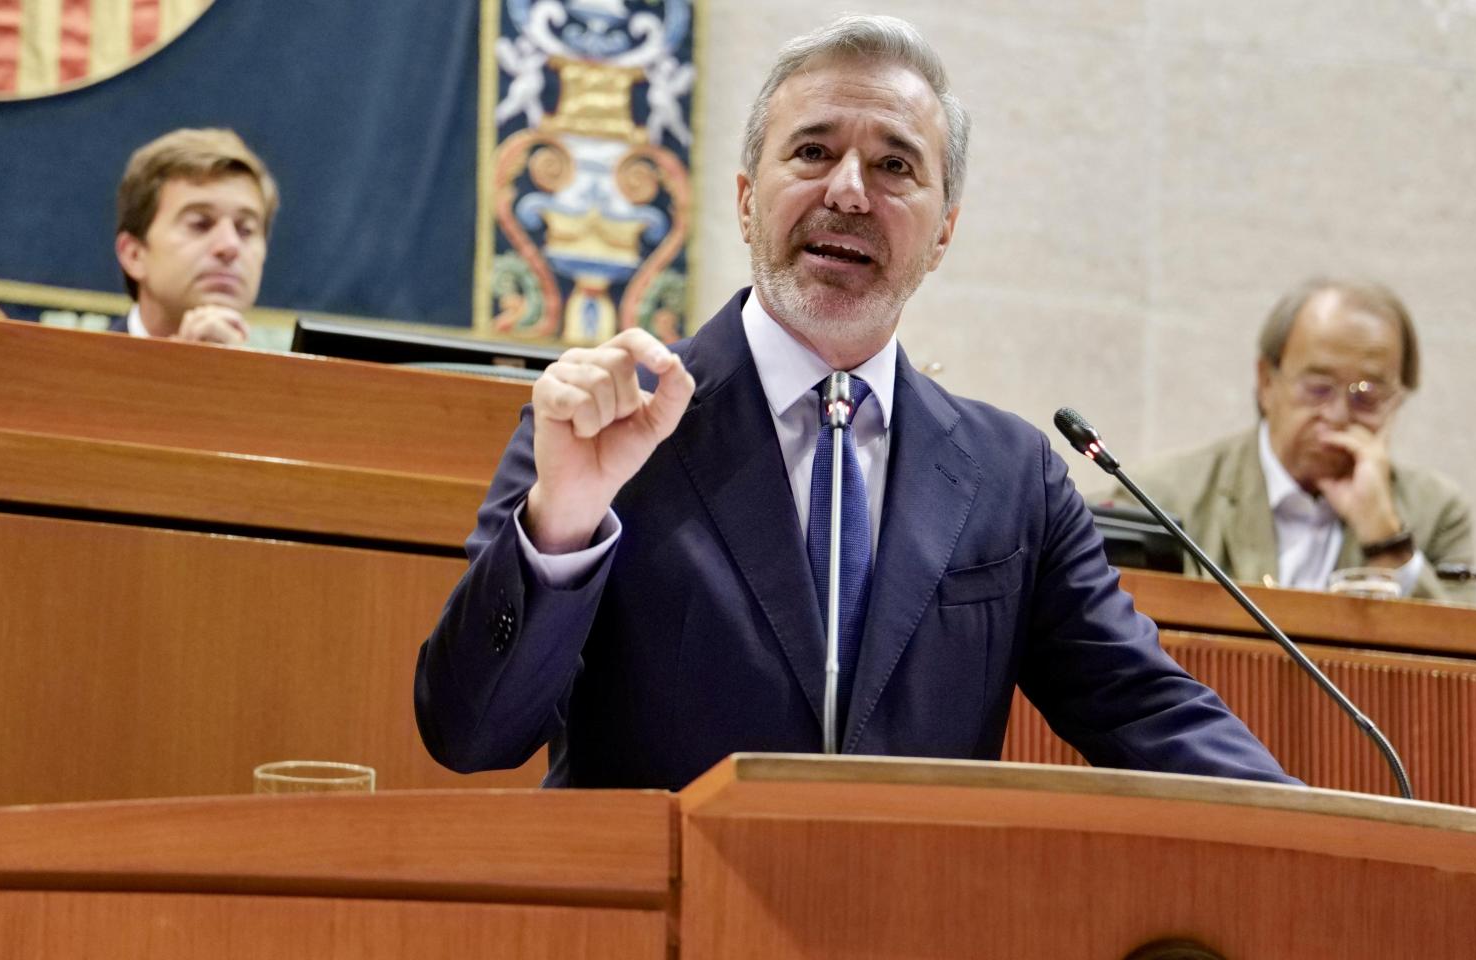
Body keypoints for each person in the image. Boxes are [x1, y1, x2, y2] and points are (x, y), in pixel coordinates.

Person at [416, 15, 1295, 790]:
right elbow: (470, 734)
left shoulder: (1010, 476)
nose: (848, 190)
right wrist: (562, 524)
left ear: (944, 229)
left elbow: (1148, 712)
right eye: (811, 152)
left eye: (894, 165)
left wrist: (1350, 835)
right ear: (746, 199)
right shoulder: (614, 421)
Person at [1110, 279, 1475, 603]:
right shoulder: (1157, 497)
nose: (1337, 415)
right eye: (1318, 388)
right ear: (1267, 382)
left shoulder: (1436, 513)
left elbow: (1469, 668)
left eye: (1366, 396)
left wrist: (1386, 542)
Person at [113, 128, 278, 345]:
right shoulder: (72, 373)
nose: (229, 246)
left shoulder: (284, 379)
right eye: (200, 224)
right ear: (134, 255)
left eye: (245, 230)